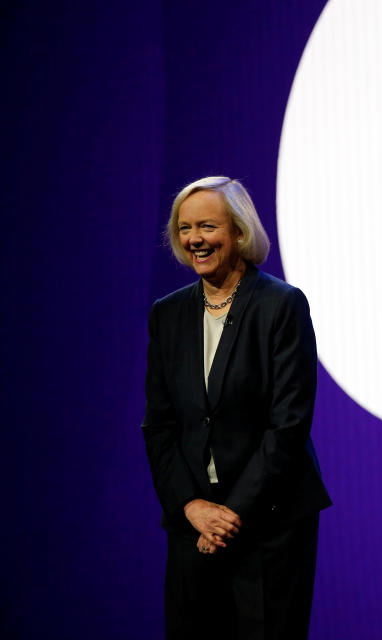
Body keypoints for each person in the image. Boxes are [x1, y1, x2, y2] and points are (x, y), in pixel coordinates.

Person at [142, 176, 332, 640]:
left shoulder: (281, 305)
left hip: (268, 524)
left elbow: (287, 425)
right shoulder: (167, 314)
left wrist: (229, 514)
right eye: (185, 228)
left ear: (240, 232)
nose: (195, 240)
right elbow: (160, 424)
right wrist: (191, 505)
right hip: (193, 526)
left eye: (207, 226)